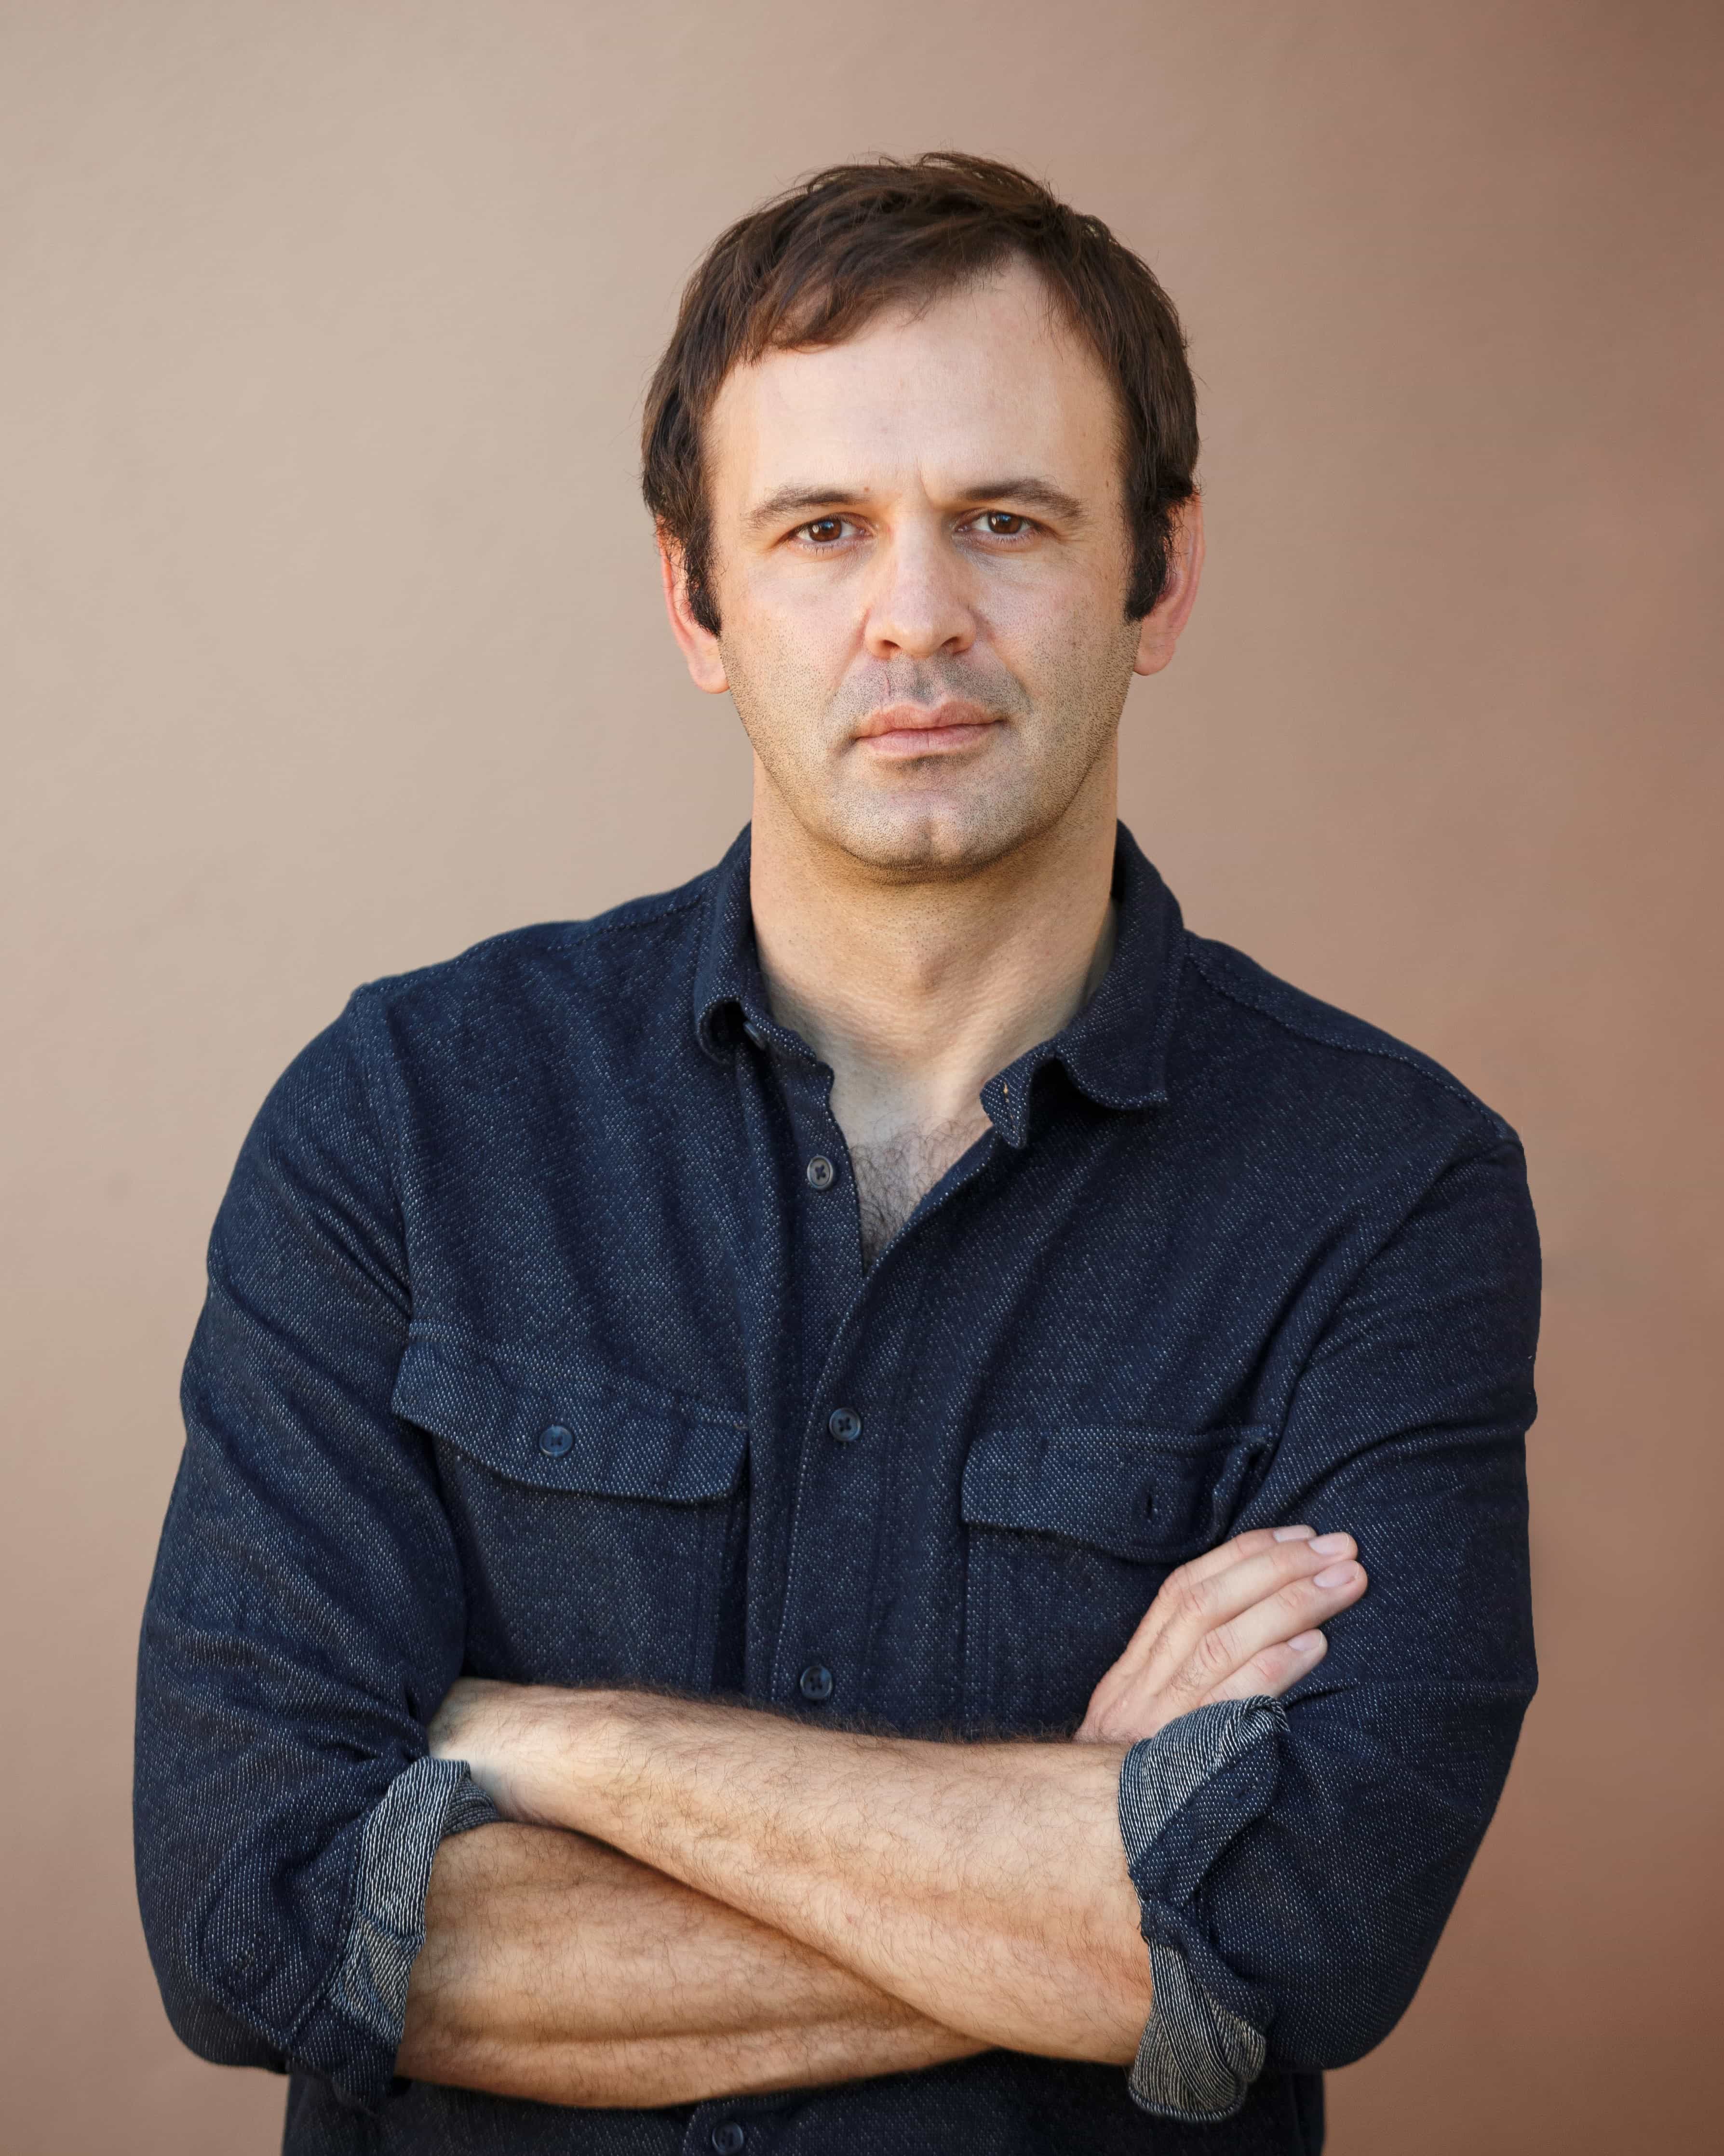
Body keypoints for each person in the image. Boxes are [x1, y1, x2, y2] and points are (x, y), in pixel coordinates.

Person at [134, 154, 1539, 2156]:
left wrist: (556, 1744)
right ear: (695, 601)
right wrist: (1082, 1856)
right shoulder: (403, 1122)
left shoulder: (1385, 1192)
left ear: (1160, 576)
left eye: (1005, 522)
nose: (917, 616)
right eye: (821, 530)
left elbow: (1302, 1929)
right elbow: (255, 1915)